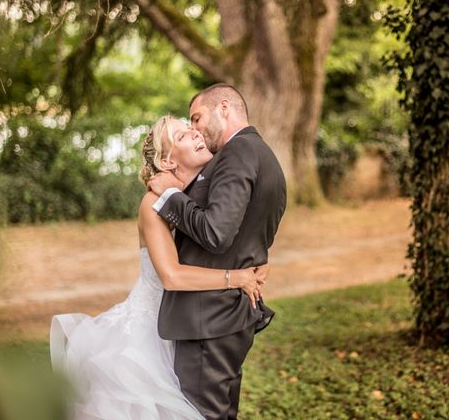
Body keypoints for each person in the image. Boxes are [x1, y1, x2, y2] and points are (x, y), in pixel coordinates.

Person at [50, 115, 267, 419]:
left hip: (190, 326)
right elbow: (172, 275)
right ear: (166, 162)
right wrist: (236, 277)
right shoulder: (152, 205)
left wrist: (257, 262)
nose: (195, 134)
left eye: (192, 129)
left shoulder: (194, 197)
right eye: (182, 135)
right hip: (149, 337)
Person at [147, 83, 287, 419]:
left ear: (223, 108)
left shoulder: (237, 153)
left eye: (196, 118)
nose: (194, 128)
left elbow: (215, 232)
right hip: (222, 317)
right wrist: (254, 261)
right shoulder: (262, 154)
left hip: (208, 319)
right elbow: (251, 226)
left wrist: (170, 196)